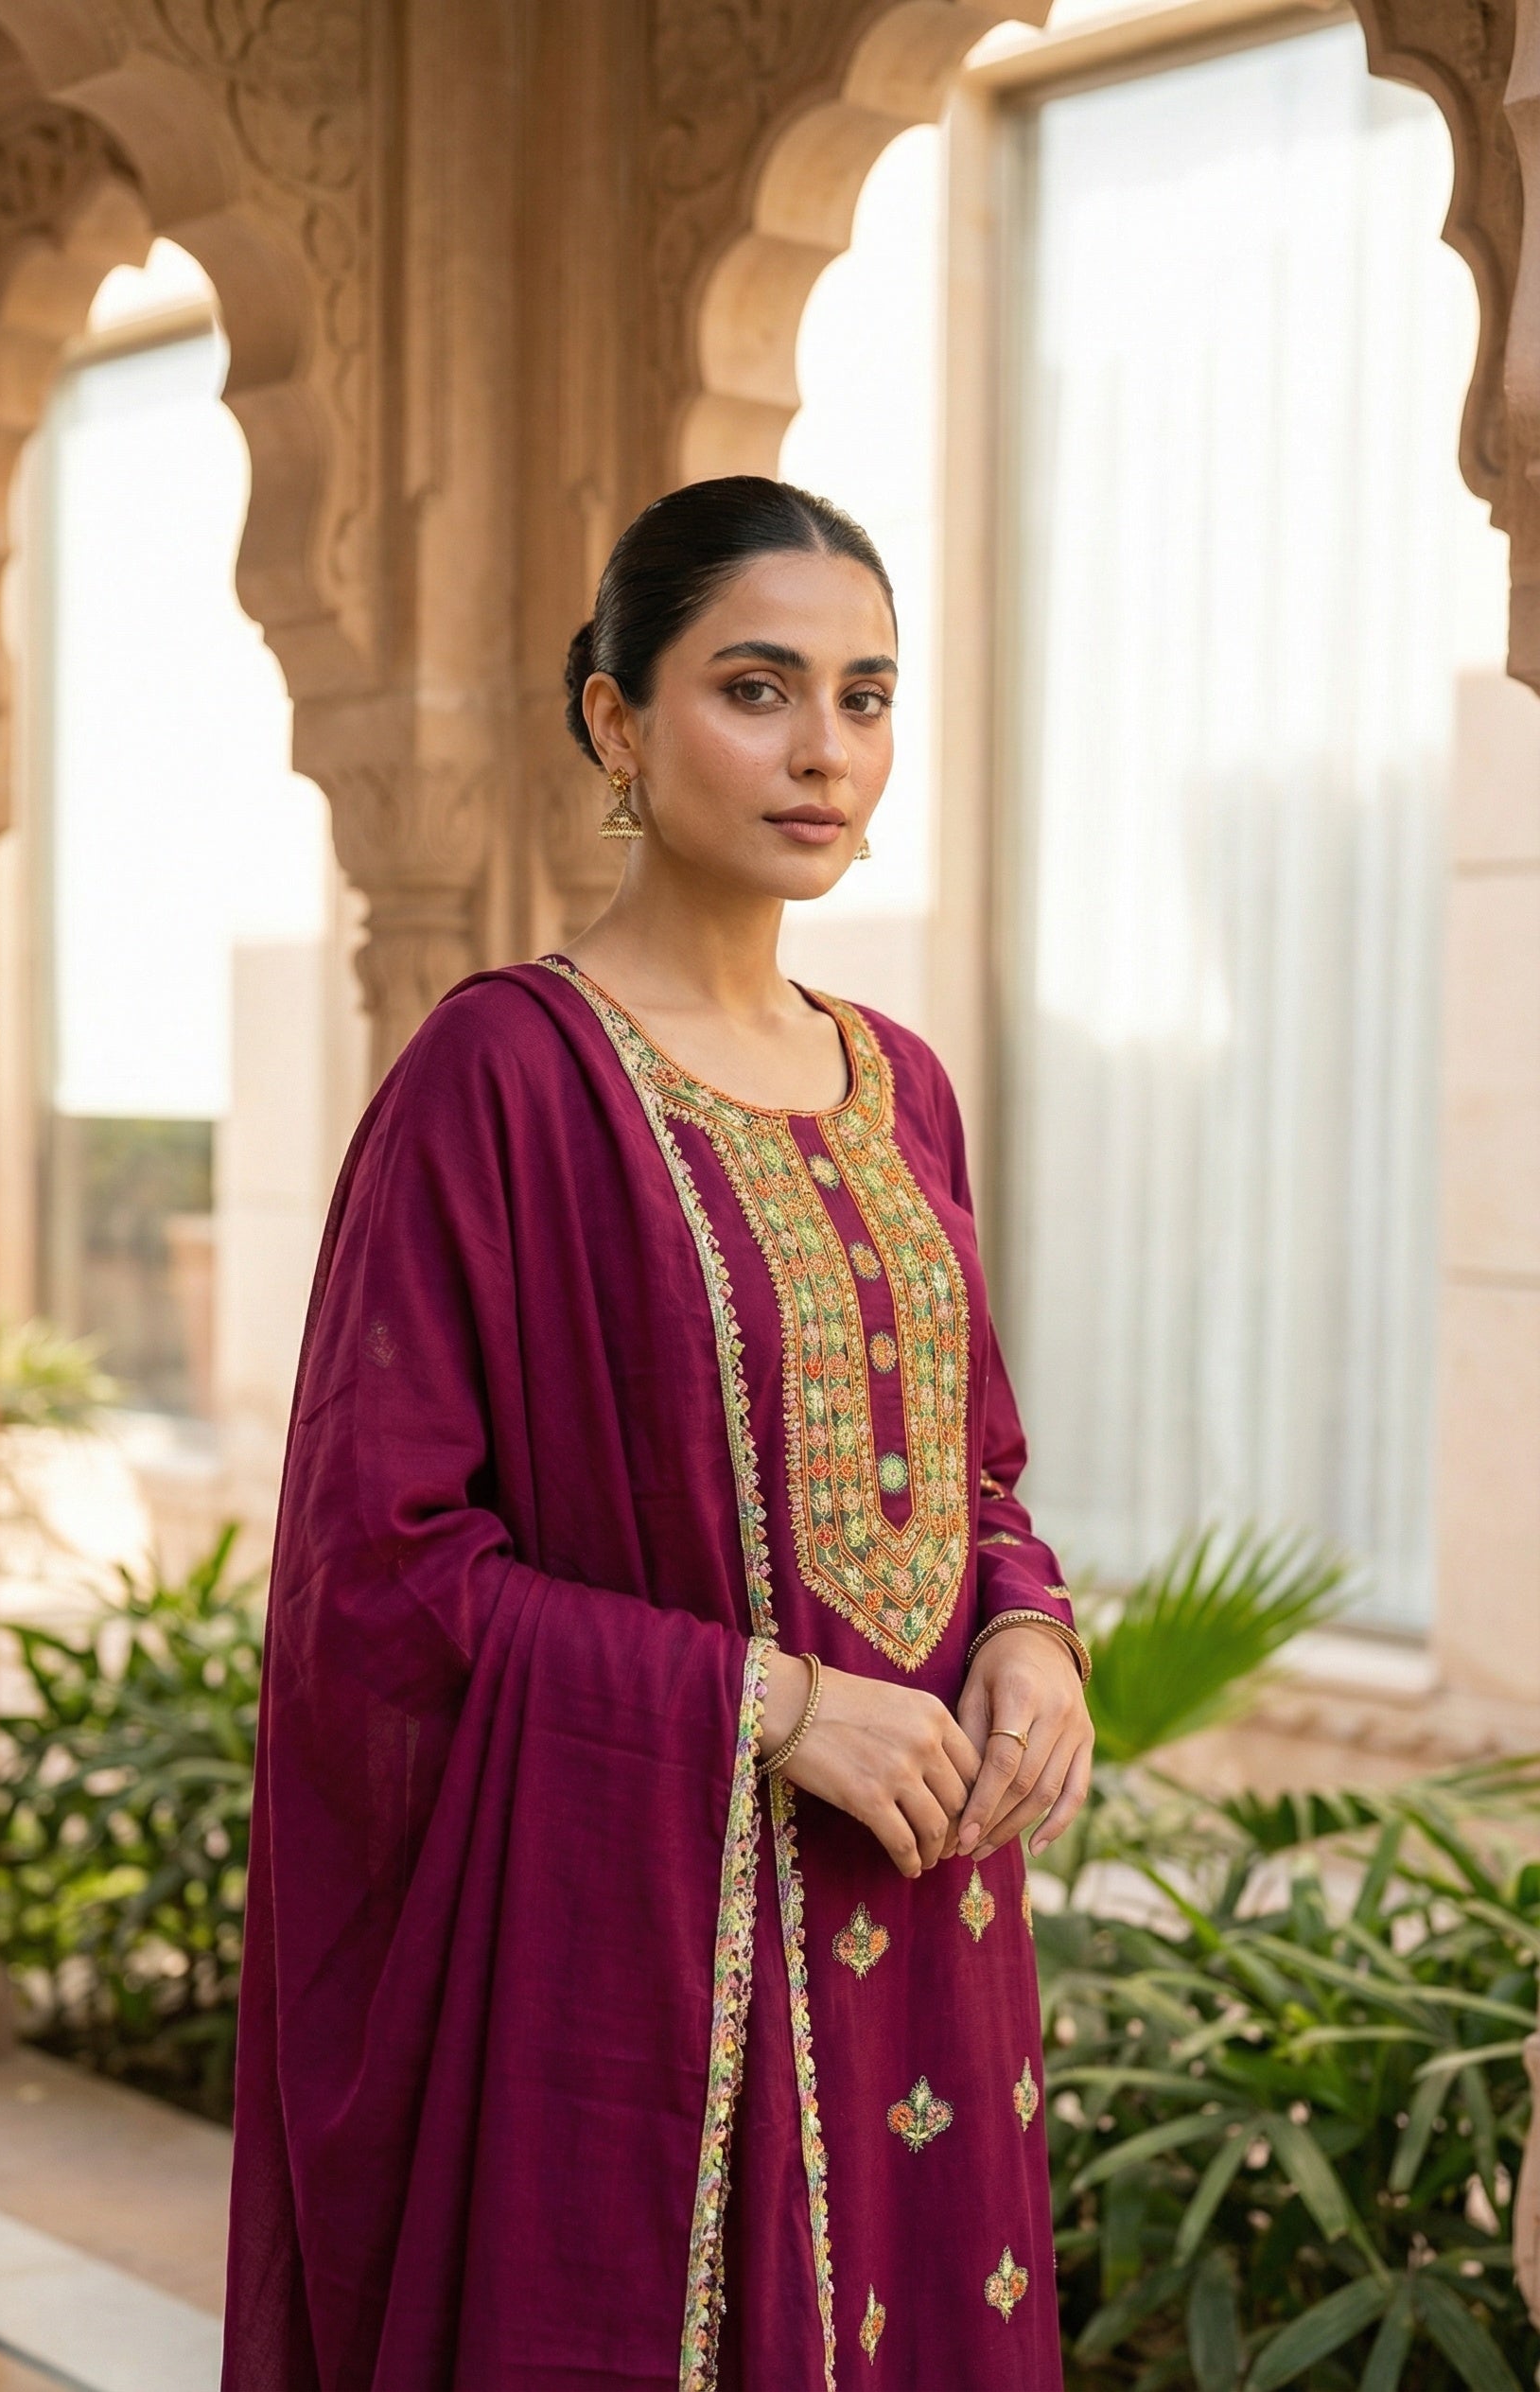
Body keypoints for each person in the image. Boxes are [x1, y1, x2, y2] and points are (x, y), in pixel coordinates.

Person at [222, 476, 1094, 2392]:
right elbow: (380, 1571)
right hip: (646, 1961)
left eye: (865, 696)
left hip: (929, 1924)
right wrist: (770, 1705)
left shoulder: (901, 1084)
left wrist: (1030, 1631)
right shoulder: (503, 1075)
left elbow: (971, 1470)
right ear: (617, 722)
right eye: (756, 689)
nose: (824, 751)